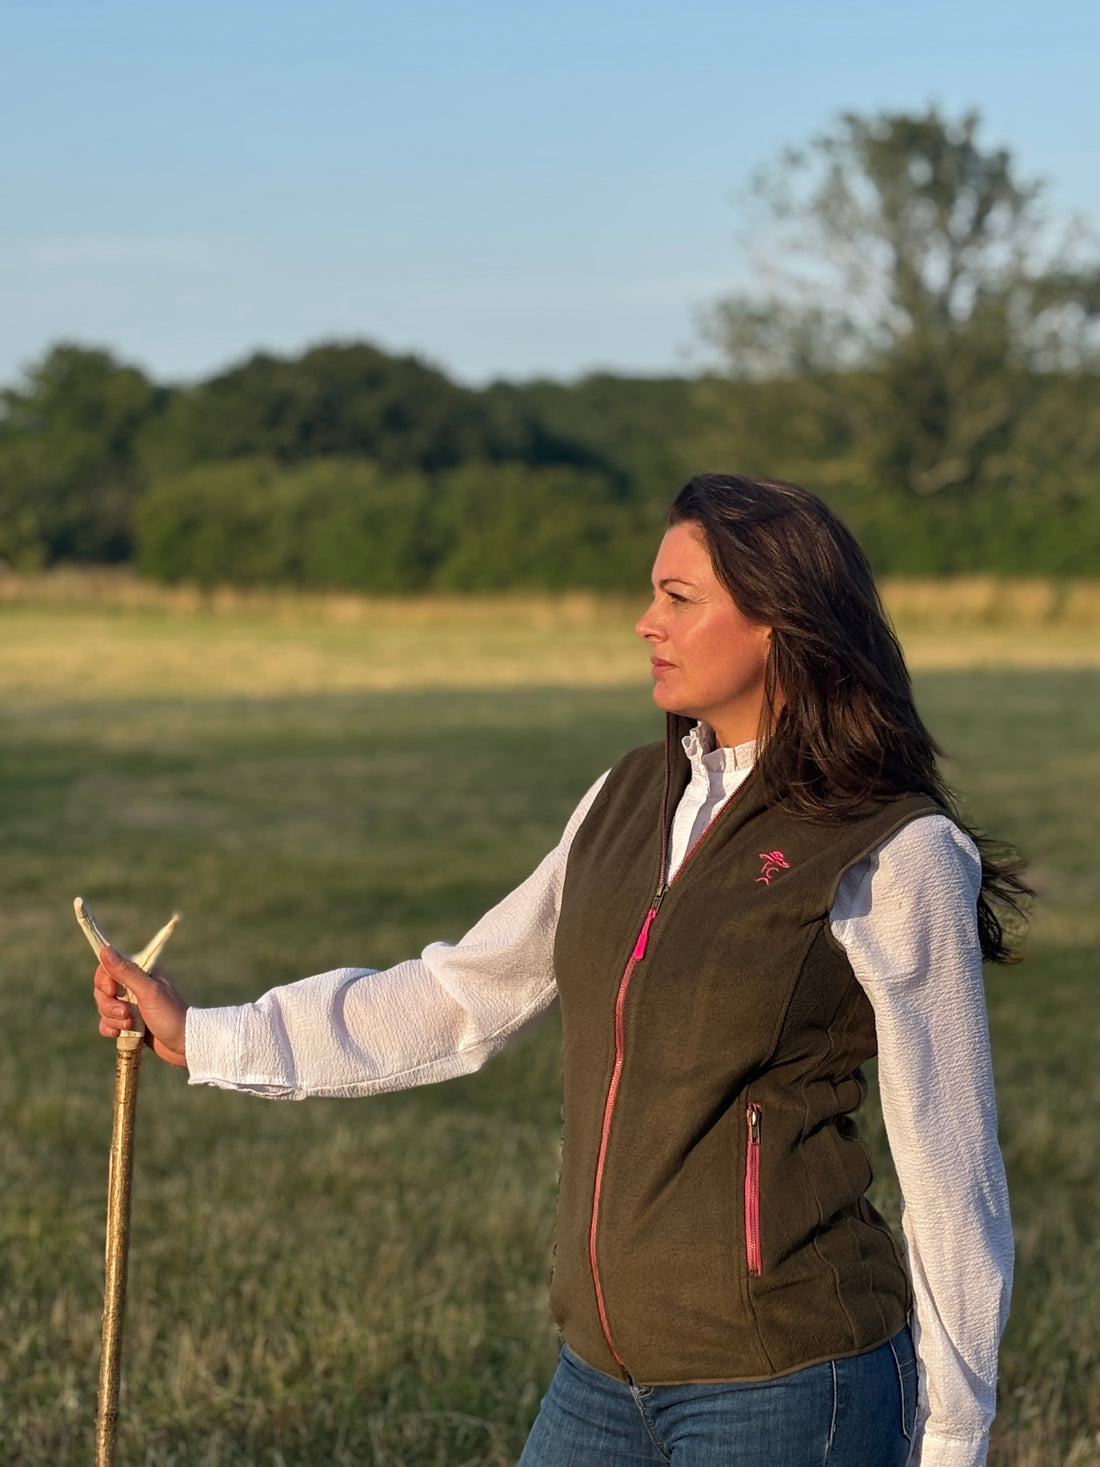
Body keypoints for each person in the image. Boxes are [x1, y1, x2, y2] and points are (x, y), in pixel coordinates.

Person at [93, 474, 1025, 1467]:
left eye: (677, 597)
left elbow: (948, 1161)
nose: (643, 623)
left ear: (776, 621)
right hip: (599, 1378)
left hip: (789, 1379)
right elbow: (458, 997)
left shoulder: (891, 848)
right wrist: (207, 1035)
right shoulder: (627, 798)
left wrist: (952, 1432)